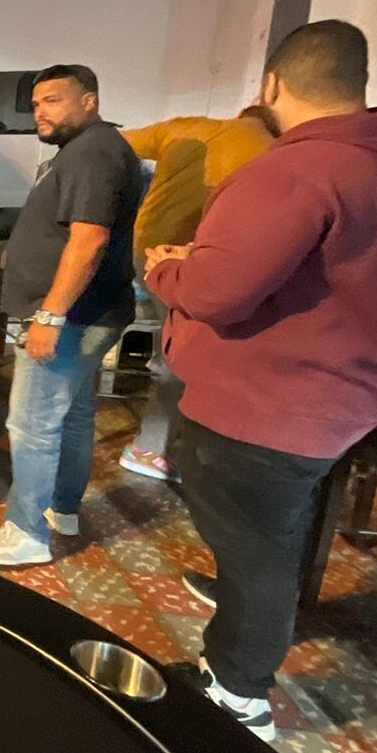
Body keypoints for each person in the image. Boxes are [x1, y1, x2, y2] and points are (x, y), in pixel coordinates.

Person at [145, 21, 377, 740]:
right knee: (273, 529)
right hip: (342, 390)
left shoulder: (296, 168)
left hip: (270, 401)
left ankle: (238, 692)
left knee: (256, 547)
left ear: (273, 84)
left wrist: (167, 268)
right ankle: (251, 613)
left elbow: (216, 294)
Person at [0, 65, 142, 568]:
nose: (40, 112)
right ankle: (62, 509)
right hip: (90, 314)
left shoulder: (93, 151)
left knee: (32, 425)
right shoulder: (89, 149)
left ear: (90, 101)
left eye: (54, 100)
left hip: (73, 317)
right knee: (74, 416)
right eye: (36, 103)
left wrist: (49, 316)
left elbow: (89, 240)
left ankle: (25, 531)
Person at [117, 106, 273, 482]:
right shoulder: (271, 149)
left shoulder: (186, 128)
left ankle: (159, 443)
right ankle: (149, 449)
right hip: (193, 262)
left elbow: (116, 142)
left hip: (146, 250)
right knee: (184, 357)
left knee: (174, 349)